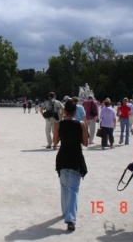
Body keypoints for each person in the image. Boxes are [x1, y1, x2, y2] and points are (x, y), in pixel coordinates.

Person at [53, 99, 88, 231]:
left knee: (64, 187)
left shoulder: (58, 124)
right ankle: (70, 218)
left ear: (65, 111)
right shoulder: (81, 124)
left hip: (62, 157)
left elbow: (55, 142)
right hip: (76, 157)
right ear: (75, 112)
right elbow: (86, 143)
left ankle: (65, 212)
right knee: (74, 189)